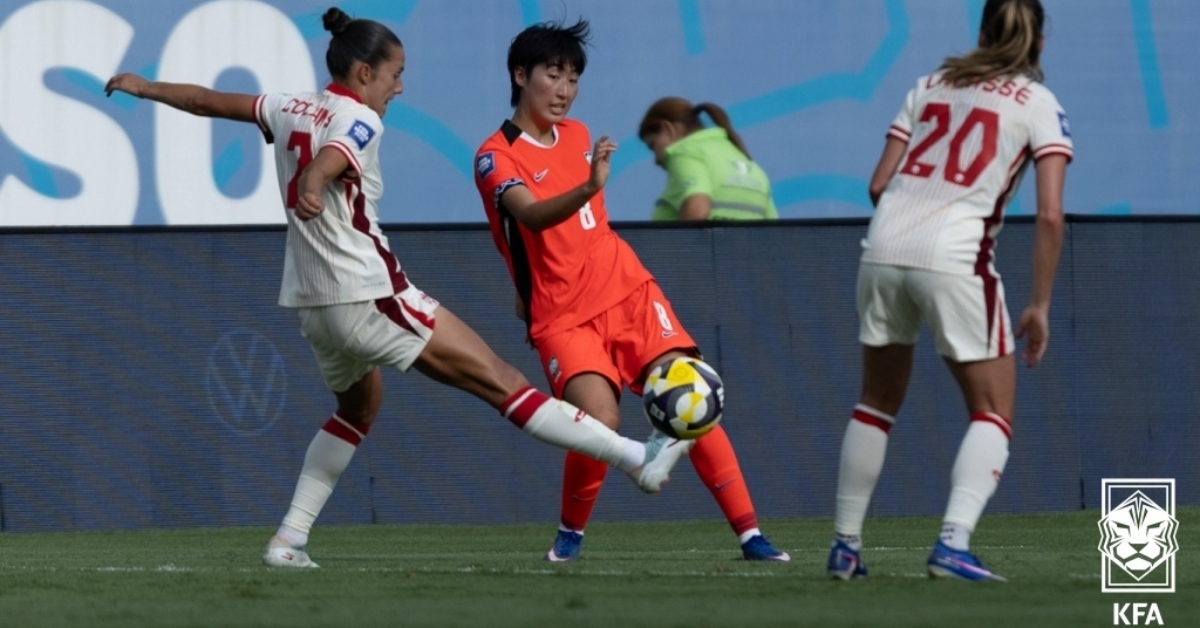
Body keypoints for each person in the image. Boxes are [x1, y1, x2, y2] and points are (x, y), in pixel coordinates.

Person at [105, 6, 692, 570]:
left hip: (312, 305)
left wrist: (145, 87)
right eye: (395, 74)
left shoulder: (288, 105)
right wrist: (312, 182)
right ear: (365, 74)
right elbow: (333, 156)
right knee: (503, 382)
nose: (400, 87)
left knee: (359, 407)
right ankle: (636, 459)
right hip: (369, 293)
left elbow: (208, 101)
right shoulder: (361, 119)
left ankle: (288, 539)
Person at [473, 19, 789, 563]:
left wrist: (587, 193)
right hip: (563, 315)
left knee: (691, 391)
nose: (565, 90)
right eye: (554, 75)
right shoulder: (494, 155)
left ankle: (750, 536)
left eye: (574, 78)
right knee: (600, 422)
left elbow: (587, 227)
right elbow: (532, 218)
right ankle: (570, 536)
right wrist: (587, 189)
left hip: (625, 288)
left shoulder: (578, 134)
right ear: (520, 75)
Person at [826, 0, 1071, 582]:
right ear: (1039, 43)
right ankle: (953, 544)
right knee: (993, 410)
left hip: (883, 246)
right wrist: (1039, 304)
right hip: (956, 254)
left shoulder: (929, 85)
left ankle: (845, 546)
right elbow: (1050, 215)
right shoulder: (1038, 103)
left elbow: (879, 183)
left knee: (876, 401)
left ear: (982, 32)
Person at [638, 97, 778, 221]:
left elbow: (697, 212)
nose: (656, 160)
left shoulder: (686, 153)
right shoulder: (748, 162)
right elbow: (774, 232)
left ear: (668, 129)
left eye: (653, 146)